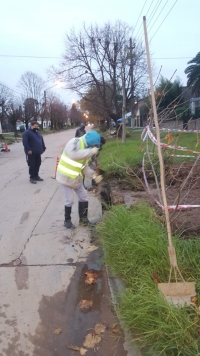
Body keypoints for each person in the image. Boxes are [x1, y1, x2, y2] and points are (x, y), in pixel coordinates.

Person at [56, 131, 103, 229]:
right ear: (91, 142)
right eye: (94, 145)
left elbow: (84, 167)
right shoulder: (74, 142)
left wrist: (93, 176)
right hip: (65, 178)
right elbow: (74, 155)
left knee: (84, 197)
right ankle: (67, 220)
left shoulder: (86, 149)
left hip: (76, 179)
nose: (94, 147)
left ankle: (83, 220)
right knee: (69, 200)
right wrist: (91, 152)